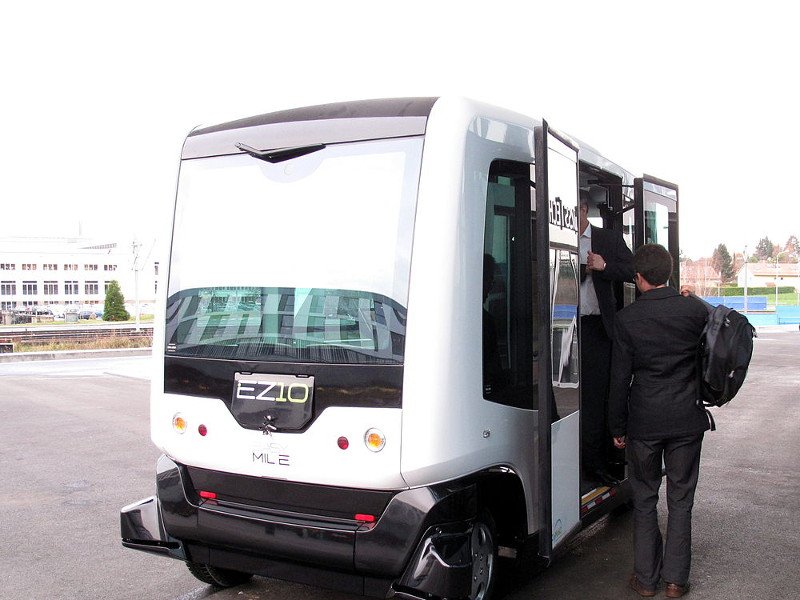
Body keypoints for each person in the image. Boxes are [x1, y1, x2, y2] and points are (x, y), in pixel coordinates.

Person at [608, 244, 709, 598]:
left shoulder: (626, 320)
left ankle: (646, 581)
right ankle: (675, 582)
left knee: (645, 499)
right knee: (681, 500)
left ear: (638, 279)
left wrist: (617, 427)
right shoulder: (693, 310)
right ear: (667, 274)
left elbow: (619, 379)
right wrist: (694, 299)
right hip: (686, 420)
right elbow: (724, 328)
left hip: (645, 423)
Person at [578, 190, 634, 486]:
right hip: (563, 329)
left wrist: (604, 267)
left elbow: (633, 270)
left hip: (598, 329)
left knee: (596, 398)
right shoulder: (556, 238)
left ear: (584, 209)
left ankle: (597, 465)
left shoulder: (608, 239)